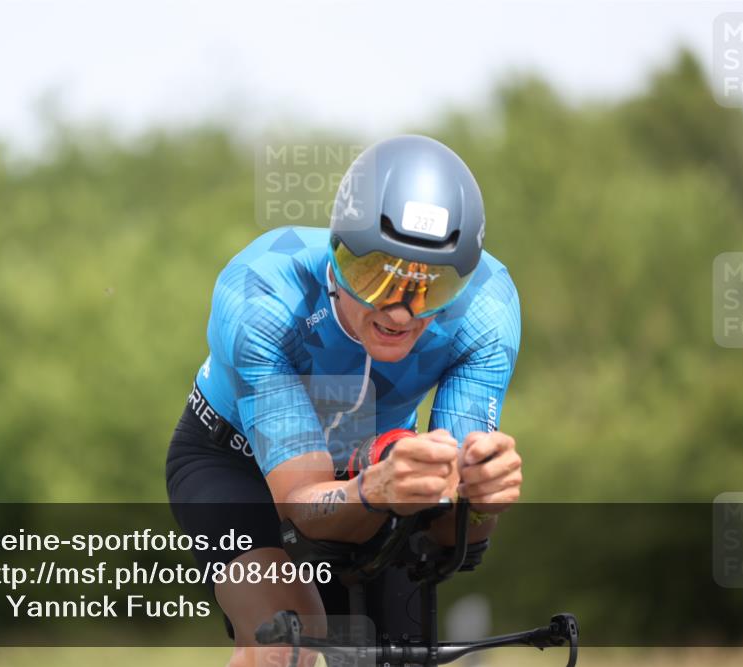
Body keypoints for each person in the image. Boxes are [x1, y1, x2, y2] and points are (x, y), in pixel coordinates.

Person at [165, 135, 523, 667]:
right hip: (235, 465)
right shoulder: (263, 292)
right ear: (337, 251)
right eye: (376, 276)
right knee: (288, 642)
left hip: (375, 464)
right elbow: (303, 507)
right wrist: (376, 488)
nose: (400, 312)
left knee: (403, 655)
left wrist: (480, 501)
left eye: (432, 287)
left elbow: (454, 541)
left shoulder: (486, 307)